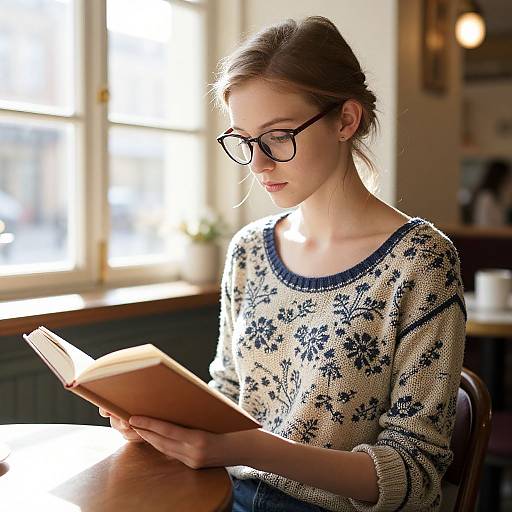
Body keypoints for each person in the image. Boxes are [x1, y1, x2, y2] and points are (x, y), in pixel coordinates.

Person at [99, 16, 466, 511]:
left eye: (277, 136)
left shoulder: (420, 262)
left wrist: (251, 449)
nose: (257, 163)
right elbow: (228, 392)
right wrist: (160, 422)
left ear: (346, 120)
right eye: (243, 140)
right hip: (221, 494)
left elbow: (417, 474)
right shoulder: (250, 250)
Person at [470, 159, 512, 227]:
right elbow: (484, 225)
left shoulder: (497, 197)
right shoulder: (486, 197)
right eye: (508, 176)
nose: (509, 180)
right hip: (488, 236)